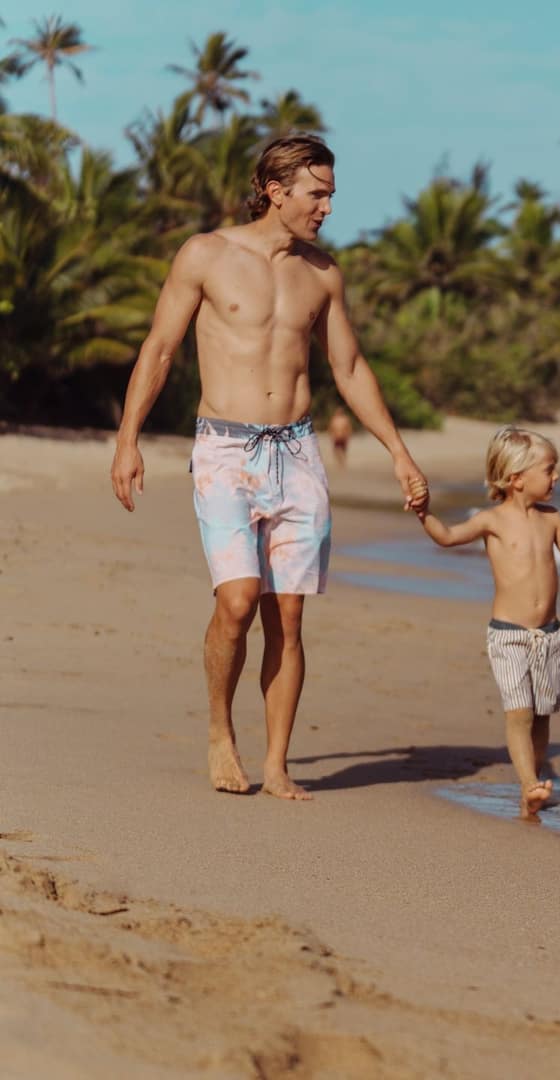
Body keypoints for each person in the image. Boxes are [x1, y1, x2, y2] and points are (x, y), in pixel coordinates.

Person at [109, 133, 430, 801]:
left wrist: (399, 452)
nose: (328, 207)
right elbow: (161, 348)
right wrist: (128, 438)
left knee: (288, 614)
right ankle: (221, 731)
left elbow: (348, 368)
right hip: (225, 450)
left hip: (298, 453)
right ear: (277, 191)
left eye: (332, 194)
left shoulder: (322, 272)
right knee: (236, 603)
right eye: (318, 194)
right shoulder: (206, 255)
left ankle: (278, 761)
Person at [413, 426, 560, 820]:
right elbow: (446, 536)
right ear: (516, 479)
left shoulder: (552, 519)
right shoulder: (491, 521)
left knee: (542, 713)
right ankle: (530, 786)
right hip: (509, 636)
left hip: (549, 636)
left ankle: (531, 783)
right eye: (549, 469)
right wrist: (424, 512)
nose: (556, 476)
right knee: (519, 712)